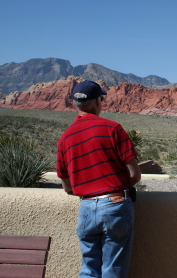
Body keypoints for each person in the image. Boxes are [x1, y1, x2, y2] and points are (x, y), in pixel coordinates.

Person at [56, 80, 141, 278]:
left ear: (76, 104)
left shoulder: (65, 138)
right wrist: (114, 187)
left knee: (88, 270)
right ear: (97, 102)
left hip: (86, 209)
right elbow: (135, 175)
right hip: (114, 205)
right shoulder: (113, 129)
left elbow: (67, 186)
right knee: (113, 270)